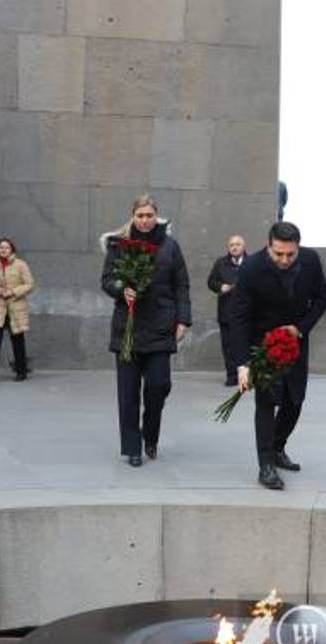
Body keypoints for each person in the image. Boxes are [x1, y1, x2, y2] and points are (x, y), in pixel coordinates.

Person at [231, 221, 326, 491]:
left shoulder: (310, 260)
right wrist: (242, 364)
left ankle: (277, 447)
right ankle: (265, 465)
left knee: (294, 400)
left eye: (290, 254)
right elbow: (239, 317)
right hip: (262, 344)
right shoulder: (251, 268)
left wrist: (300, 329)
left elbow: (323, 299)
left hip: (295, 341)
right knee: (267, 401)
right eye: (278, 254)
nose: (284, 259)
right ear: (269, 246)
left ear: (298, 247)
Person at [100, 194, 191, 467]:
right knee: (128, 392)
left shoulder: (170, 247)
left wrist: (183, 320)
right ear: (133, 216)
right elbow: (106, 280)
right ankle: (133, 447)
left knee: (159, 385)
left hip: (161, 327)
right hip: (127, 327)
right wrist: (121, 289)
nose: (145, 220)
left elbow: (182, 285)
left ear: (156, 216)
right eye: (140, 215)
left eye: (149, 215)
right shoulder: (118, 245)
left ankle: (150, 434)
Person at [0, 237, 35, 383]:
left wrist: (13, 292)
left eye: (7, 247)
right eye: (1, 247)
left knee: (17, 340)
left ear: (12, 250)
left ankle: (21, 372)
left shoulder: (20, 265)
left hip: (15, 306)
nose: (3, 250)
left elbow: (30, 284)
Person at [207, 234, 246, 386]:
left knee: (245, 344)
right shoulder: (220, 263)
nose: (234, 247)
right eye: (231, 245)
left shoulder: (251, 263)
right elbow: (211, 282)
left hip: (245, 312)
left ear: (244, 246)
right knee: (228, 345)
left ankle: (246, 374)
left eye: (238, 244)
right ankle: (232, 375)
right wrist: (220, 286)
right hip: (226, 311)